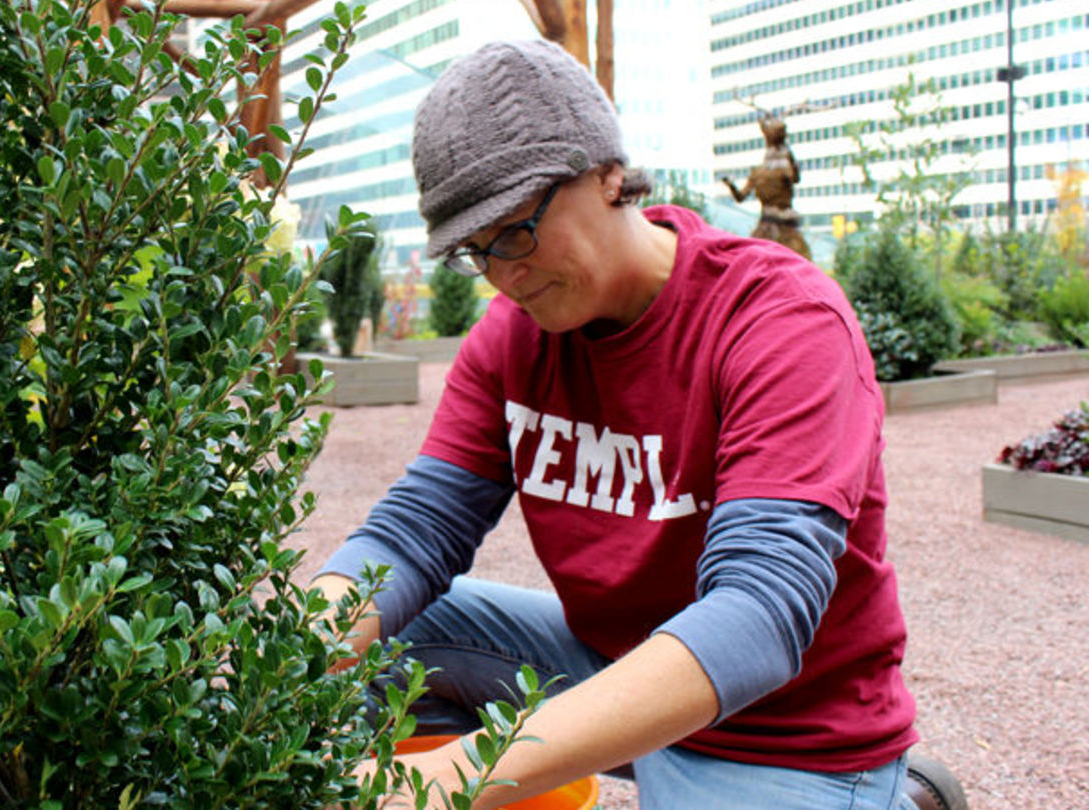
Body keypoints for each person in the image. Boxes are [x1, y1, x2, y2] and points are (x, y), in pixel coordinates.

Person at [312, 40, 963, 810]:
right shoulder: (510, 341)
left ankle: (883, 796)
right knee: (385, 634)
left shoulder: (778, 318)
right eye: (474, 252)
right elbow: (411, 537)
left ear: (607, 173)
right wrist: (280, 669)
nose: (504, 275)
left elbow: (758, 616)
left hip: (787, 729)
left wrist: (453, 777)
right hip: (616, 664)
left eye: (517, 231)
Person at [720, 114, 813, 260]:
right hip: (768, 226)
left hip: (783, 226)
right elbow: (740, 197)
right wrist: (731, 185)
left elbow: (794, 178)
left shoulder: (781, 166)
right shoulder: (760, 172)